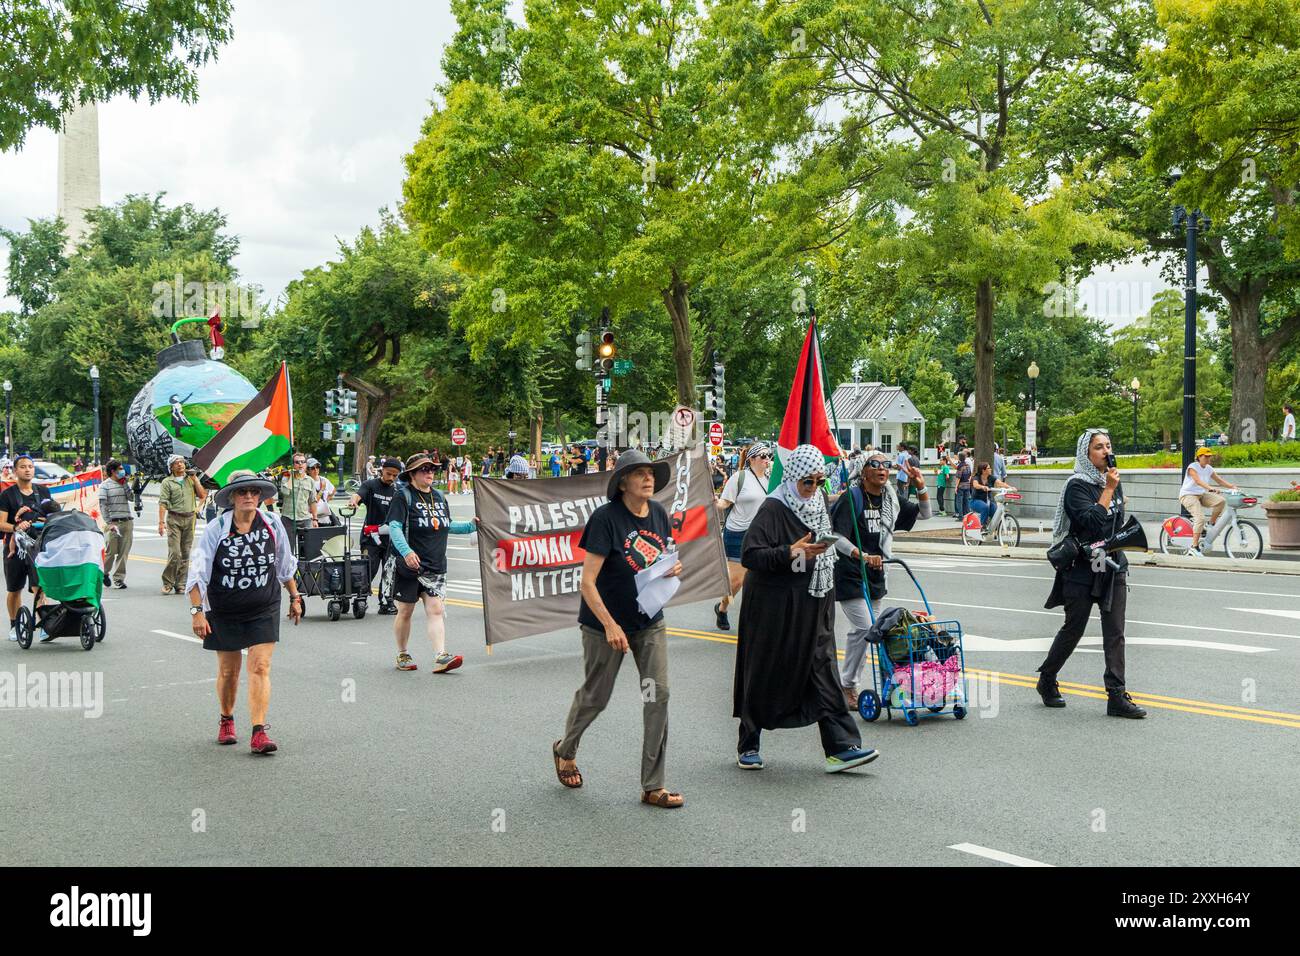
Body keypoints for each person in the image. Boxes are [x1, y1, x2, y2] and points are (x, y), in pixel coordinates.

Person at [732, 444, 880, 773]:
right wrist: (790, 551)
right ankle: (749, 742)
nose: (813, 489)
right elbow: (750, 556)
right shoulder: (773, 508)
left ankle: (841, 747)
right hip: (774, 607)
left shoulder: (817, 504)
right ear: (794, 478)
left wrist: (833, 553)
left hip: (815, 602)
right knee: (765, 670)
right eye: (807, 482)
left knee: (822, 670)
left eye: (819, 482)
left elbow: (826, 544)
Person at [553, 450, 685, 808]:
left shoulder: (658, 512)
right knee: (597, 697)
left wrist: (670, 568)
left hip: (649, 621)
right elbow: (587, 583)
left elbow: (655, 558)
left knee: (656, 696)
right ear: (623, 483)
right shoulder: (605, 519)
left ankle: (652, 785)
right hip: (604, 626)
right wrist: (610, 625)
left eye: (651, 473)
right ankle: (566, 749)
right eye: (639, 473)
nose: (648, 479)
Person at [186, 470, 302, 753]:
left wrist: (295, 597)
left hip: (264, 604)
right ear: (232, 498)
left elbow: (284, 565)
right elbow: (197, 573)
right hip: (225, 607)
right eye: (242, 492)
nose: (249, 496)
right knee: (229, 671)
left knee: (260, 666)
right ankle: (226, 719)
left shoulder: (273, 523)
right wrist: (197, 612)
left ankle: (259, 731)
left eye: (253, 492)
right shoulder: (217, 529)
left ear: (261, 496)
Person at [1037, 429, 1146, 718]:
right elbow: (1092, 522)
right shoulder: (1077, 486)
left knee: (1115, 633)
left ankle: (1116, 695)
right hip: (1082, 568)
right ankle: (1047, 678)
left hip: (1111, 565)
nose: (1105, 451)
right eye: (1098, 447)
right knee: (1074, 629)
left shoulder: (1113, 482)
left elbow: (1114, 525)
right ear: (1086, 453)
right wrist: (1108, 490)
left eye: (1108, 445)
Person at [832, 453, 931, 708]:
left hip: (877, 574)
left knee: (871, 631)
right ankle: (848, 685)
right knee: (867, 629)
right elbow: (836, 537)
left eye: (886, 464)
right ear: (863, 471)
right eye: (874, 464)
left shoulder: (890, 499)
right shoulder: (851, 498)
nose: (882, 468)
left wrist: (920, 485)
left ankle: (886, 680)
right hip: (851, 574)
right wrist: (861, 554)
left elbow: (925, 514)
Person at [386, 453, 476, 673]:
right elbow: (395, 527)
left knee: (435, 609)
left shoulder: (439, 496)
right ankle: (402, 653)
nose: (429, 473)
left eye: (432, 469)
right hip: (410, 566)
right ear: (412, 474)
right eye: (424, 469)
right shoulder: (403, 496)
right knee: (405, 611)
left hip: (435, 565)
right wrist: (407, 552)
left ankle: (440, 656)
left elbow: (447, 525)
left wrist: (471, 526)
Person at [713, 441, 772, 631]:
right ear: (752, 459)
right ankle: (722, 608)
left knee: (758, 579)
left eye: (769, 455)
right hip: (736, 533)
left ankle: (755, 618)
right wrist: (715, 502)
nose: (767, 459)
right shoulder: (740, 477)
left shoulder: (770, 480)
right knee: (737, 581)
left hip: (759, 535)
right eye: (763, 456)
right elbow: (724, 503)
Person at [0, 454, 54, 640]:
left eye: (30, 466)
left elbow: (51, 515)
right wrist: (16, 527)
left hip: (37, 546)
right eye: (23, 467)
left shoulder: (43, 492)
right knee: (14, 589)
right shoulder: (7, 495)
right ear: (15, 471)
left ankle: (43, 625)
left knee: (40, 586)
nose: (27, 469)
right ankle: (15, 625)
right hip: (14, 548)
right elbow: (1, 524)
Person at [351, 456, 403, 615]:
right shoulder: (371, 485)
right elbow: (358, 494)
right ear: (382, 471)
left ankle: (386, 601)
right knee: (368, 568)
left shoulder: (398, 491)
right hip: (371, 537)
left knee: (390, 570)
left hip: (391, 538)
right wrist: (353, 501)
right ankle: (361, 598)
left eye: (395, 475)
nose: (391, 478)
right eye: (388, 474)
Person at [158, 454, 207, 594]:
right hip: (174, 519)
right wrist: (161, 522)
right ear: (171, 467)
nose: (180, 464)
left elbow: (203, 495)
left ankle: (181, 583)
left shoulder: (190, 480)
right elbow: (163, 503)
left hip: (190, 519)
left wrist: (195, 479)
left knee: (185, 553)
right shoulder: (167, 482)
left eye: (182, 462)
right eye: (176, 463)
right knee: (175, 553)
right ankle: (168, 582)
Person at [1178, 448, 1238, 556]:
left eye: (1209, 456)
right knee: (1200, 518)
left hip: (1201, 495)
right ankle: (1194, 547)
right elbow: (1198, 481)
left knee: (1221, 501)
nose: (1208, 458)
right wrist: (1210, 488)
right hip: (1188, 495)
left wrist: (1232, 486)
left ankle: (1210, 524)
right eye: (1205, 456)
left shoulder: (1209, 468)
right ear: (1199, 457)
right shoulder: (1192, 467)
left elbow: (1219, 480)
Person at [98, 458, 134, 588]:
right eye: (120, 469)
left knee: (124, 553)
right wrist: (109, 523)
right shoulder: (105, 485)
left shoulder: (124, 483)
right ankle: (104, 572)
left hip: (127, 521)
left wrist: (126, 484)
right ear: (113, 471)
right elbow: (103, 506)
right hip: (113, 523)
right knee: (111, 552)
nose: (122, 471)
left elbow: (131, 498)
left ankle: (119, 579)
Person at [277, 453, 318, 546]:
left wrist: (315, 519)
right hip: (288, 517)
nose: (300, 464)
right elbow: (285, 492)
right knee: (288, 547)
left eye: (303, 462)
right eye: (297, 462)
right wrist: (291, 476)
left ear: (306, 465)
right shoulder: (286, 477)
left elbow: (312, 501)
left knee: (309, 547)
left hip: (305, 518)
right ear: (293, 465)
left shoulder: (310, 480)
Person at [969, 460, 1017, 531]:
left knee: (996, 511)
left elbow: (1000, 483)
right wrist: (982, 487)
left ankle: (993, 529)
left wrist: (1010, 487)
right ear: (983, 470)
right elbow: (975, 485)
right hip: (975, 501)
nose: (990, 469)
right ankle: (983, 526)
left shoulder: (990, 477)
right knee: (984, 507)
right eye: (988, 468)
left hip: (987, 500)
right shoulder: (976, 477)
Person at [306, 459, 335, 524]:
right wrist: (322, 489)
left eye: (317, 467)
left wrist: (326, 501)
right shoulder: (306, 482)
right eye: (312, 468)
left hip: (324, 516)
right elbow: (314, 501)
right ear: (307, 470)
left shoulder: (324, 480)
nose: (316, 470)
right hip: (311, 517)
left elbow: (333, 490)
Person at [953, 451, 972, 521]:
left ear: (959, 458)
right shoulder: (968, 465)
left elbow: (958, 477)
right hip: (967, 485)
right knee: (966, 501)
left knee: (959, 501)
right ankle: (967, 515)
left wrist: (956, 487)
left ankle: (960, 516)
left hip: (961, 486)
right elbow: (970, 475)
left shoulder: (960, 466)